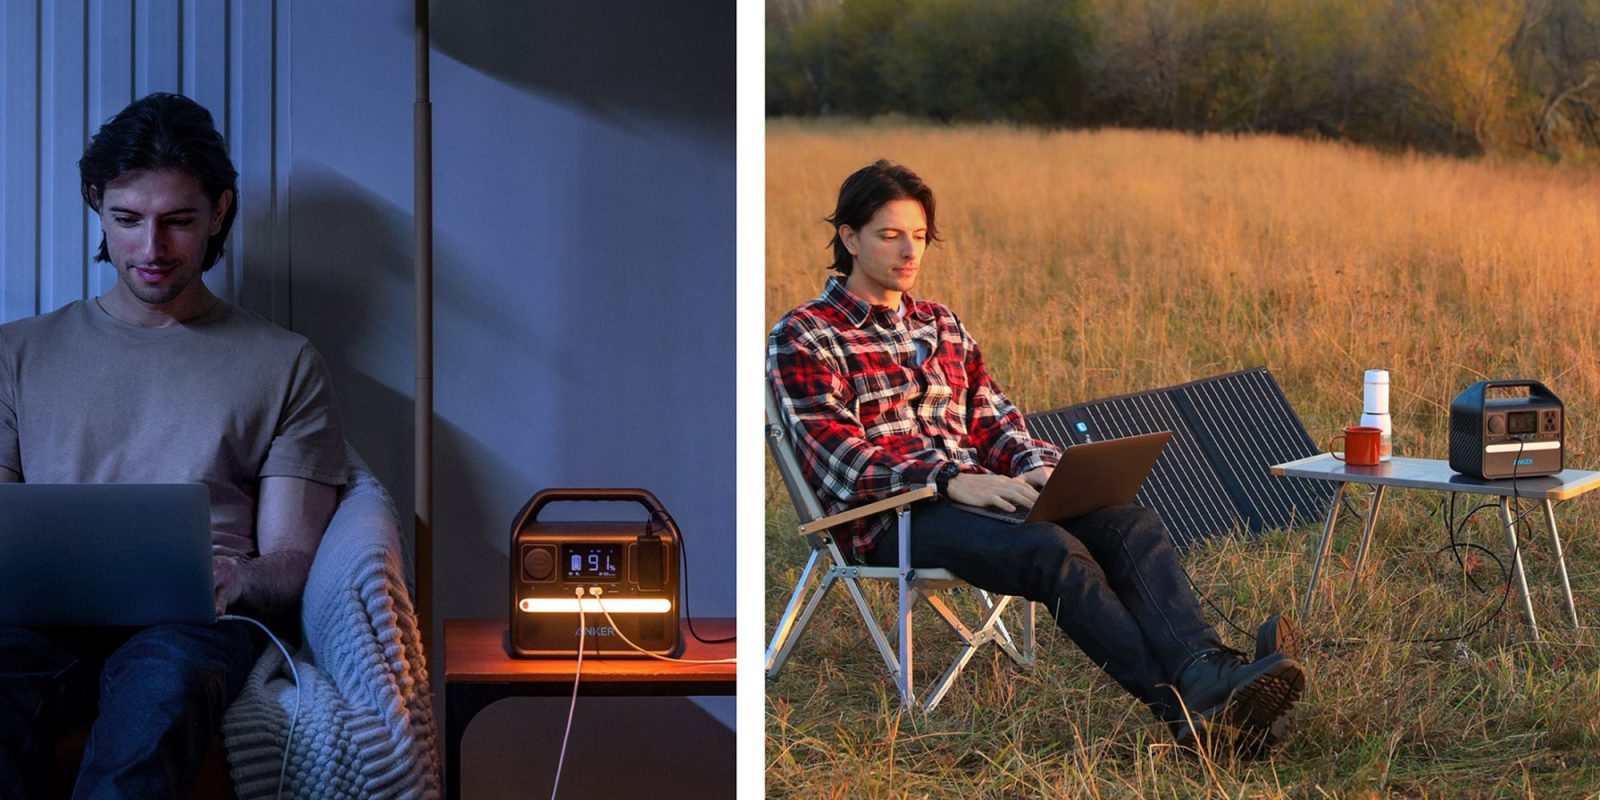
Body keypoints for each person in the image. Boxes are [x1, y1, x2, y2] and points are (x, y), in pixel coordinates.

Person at [767, 159, 1305, 755]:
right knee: (1051, 549)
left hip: (982, 495)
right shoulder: (807, 333)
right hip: (892, 518)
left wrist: (1037, 467)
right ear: (849, 238)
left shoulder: (940, 323)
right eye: (889, 235)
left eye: (918, 236)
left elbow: (994, 418)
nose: (908, 251)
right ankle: (1185, 707)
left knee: (1130, 523)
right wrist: (949, 480)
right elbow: (836, 458)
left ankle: (1208, 676)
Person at [0, 93, 347, 796]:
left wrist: (238, 579)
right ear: (95, 203)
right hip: (36, 622)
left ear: (220, 210)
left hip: (189, 628)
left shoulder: (283, 362)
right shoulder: (18, 352)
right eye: (127, 221)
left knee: (156, 704)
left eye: (179, 223)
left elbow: (291, 561)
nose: (151, 250)